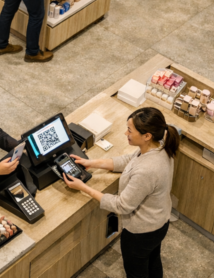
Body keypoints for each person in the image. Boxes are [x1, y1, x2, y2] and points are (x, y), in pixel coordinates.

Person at [63, 107, 178, 278]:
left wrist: (83, 187)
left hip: (141, 233)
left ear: (147, 135)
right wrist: (92, 163)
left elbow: (121, 205)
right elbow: (130, 160)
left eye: (130, 130)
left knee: (136, 272)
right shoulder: (159, 147)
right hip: (159, 222)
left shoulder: (147, 170)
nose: (126, 133)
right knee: (153, 261)